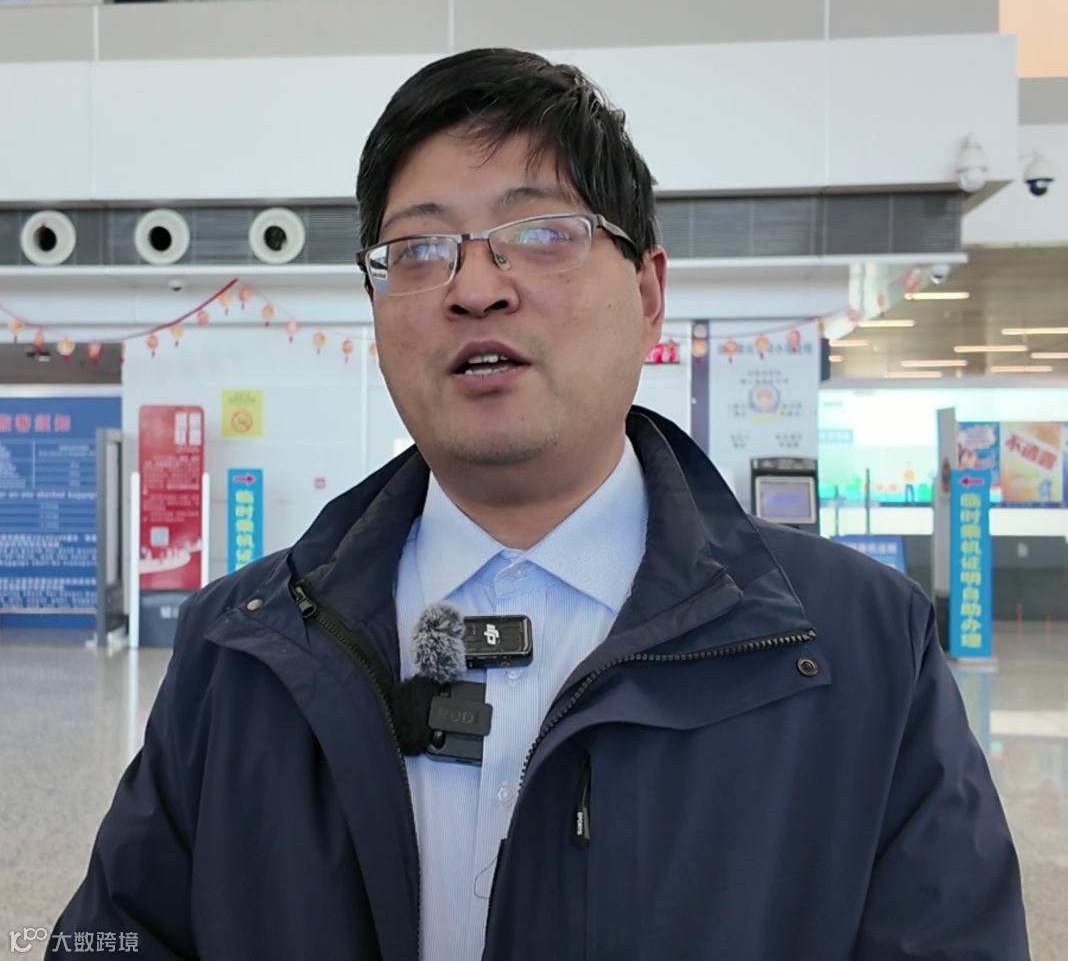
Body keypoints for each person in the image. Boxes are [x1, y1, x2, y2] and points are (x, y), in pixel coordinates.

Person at [50, 49, 1029, 960]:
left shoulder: (861, 648)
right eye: (419, 250)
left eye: (543, 234)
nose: (475, 288)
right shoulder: (242, 647)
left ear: (648, 293)